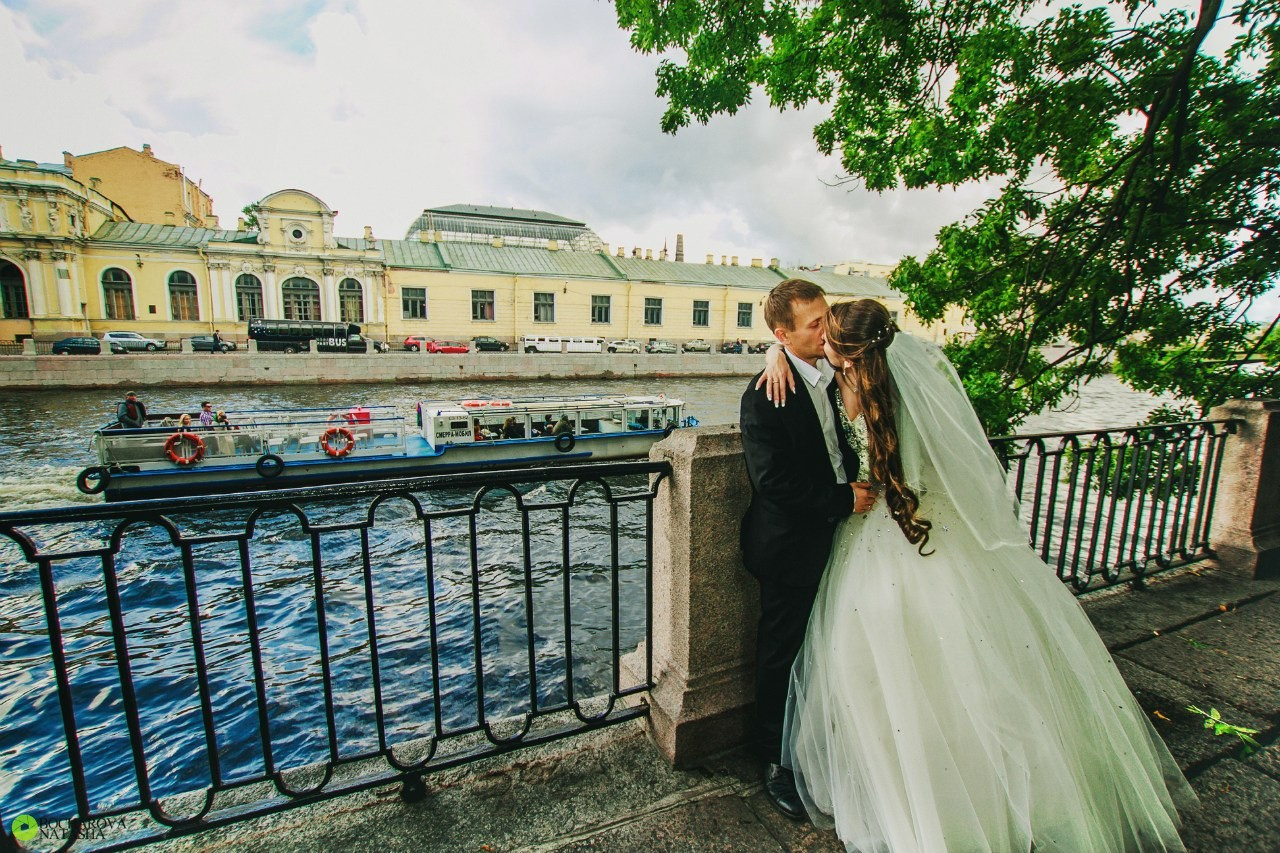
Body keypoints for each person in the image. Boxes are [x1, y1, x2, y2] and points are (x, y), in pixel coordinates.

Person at [757, 298, 1193, 852]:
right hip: (906, 528)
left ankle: (940, 797)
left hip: (890, 533)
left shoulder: (870, 388)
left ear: (849, 352)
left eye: (828, 333)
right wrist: (774, 352)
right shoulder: (868, 374)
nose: (820, 339)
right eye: (813, 329)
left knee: (909, 662)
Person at [738, 279, 879, 822]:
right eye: (815, 323)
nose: (828, 330)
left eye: (827, 317)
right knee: (782, 652)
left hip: (844, 538)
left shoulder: (836, 368)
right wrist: (843, 499)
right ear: (783, 334)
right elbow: (772, 482)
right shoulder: (763, 394)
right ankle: (773, 760)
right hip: (790, 547)